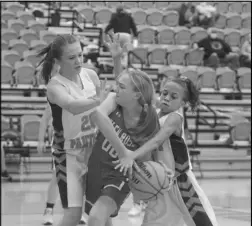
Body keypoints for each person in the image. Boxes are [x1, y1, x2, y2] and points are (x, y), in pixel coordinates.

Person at [115, 77, 219, 226]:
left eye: (173, 97)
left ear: (182, 104)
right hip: (160, 180)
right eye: (164, 93)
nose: (166, 98)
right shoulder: (155, 114)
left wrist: (131, 156)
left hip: (180, 181)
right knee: (152, 222)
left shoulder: (175, 118)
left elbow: (157, 141)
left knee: (202, 222)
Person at [85, 41, 160, 226]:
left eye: (121, 87)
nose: (114, 89)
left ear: (136, 96)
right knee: (102, 220)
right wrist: (123, 151)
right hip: (94, 167)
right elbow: (97, 116)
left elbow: (148, 157)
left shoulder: (149, 119)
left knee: (95, 217)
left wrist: (144, 189)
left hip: (119, 176)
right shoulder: (113, 100)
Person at [36, 34, 106, 226]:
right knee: (74, 215)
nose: (78, 61)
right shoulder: (55, 86)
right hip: (68, 155)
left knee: (101, 211)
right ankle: (48, 209)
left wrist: (116, 59)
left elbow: (102, 109)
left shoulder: (90, 75)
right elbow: (72, 105)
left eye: (80, 55)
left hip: (93, 151)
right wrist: (99, 99)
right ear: (58, 60)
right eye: (71, 57)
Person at [38, 104, 87, 225]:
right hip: (60, 143)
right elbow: (44, 118)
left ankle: (79, 211)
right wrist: (40, 140)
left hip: (79, 143)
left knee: (80, 178)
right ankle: (49, 210)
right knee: (57, 177)